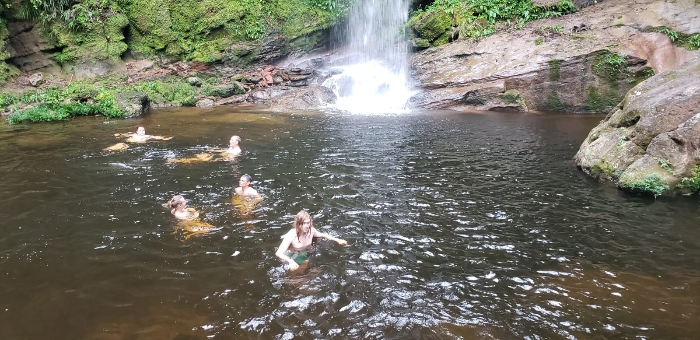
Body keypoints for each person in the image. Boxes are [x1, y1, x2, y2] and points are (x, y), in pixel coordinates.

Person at [275, 210, 348, 271]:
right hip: (290, 255)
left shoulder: (311, 231)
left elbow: (323, 235)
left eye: (308, 223)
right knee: (296, 270)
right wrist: (291, 261)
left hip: (303, 253)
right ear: (298, 224)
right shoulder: (291, 235)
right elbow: (278, 253)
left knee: (315, 270)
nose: (307, 226)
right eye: (304, 223)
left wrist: (337, 240)